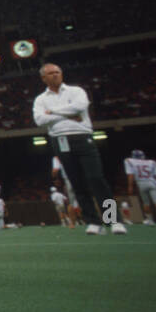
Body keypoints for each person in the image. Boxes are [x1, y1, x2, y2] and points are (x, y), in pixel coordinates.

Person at [33, 63, 123, 234]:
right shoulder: (40, 99)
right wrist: (67, 114)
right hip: (59, 140)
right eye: (51, 73)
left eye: (57, 72)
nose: (55, 75)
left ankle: (113, 220)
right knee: (76, 183)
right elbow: (39, 120)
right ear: (43, 78)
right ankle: (93, 222)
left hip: (81, 136)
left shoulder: (76, 91)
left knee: (96, 178)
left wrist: (51, 113)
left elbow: (80, 107)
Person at [124, 149, 156, 225]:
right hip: (152, 182)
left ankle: (150, 220)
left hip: (140, 184)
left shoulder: (129, 161)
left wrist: (130, 186)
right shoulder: (152, 162)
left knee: (146, 203)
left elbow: (131, 175)